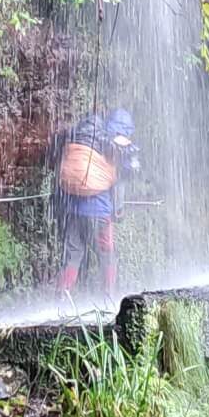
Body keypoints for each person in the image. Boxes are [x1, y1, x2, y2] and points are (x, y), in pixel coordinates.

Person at [52, 107, 139, 303]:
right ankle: (108, 298)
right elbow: (121, 181)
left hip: (72, 210)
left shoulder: (81, 138)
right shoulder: (114, 146)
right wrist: (118, 210)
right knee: (107, 254)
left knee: (73, 253)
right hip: (100, 212)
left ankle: (61, 298)